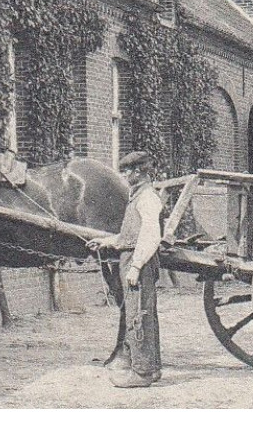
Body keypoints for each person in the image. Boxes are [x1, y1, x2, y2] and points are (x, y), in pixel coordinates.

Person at [87, 150, 164, 388]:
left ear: (139, 172)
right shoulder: (137, 196)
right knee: (143, 312)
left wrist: (136, 267)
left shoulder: (147, 198)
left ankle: (141, 373)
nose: (125, 175)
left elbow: (151, 235)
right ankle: (152, 367)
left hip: (138, 260)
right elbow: (129, 234)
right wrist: (107, 242)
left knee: (137, 314)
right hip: (131, 255)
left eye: (128, 171)